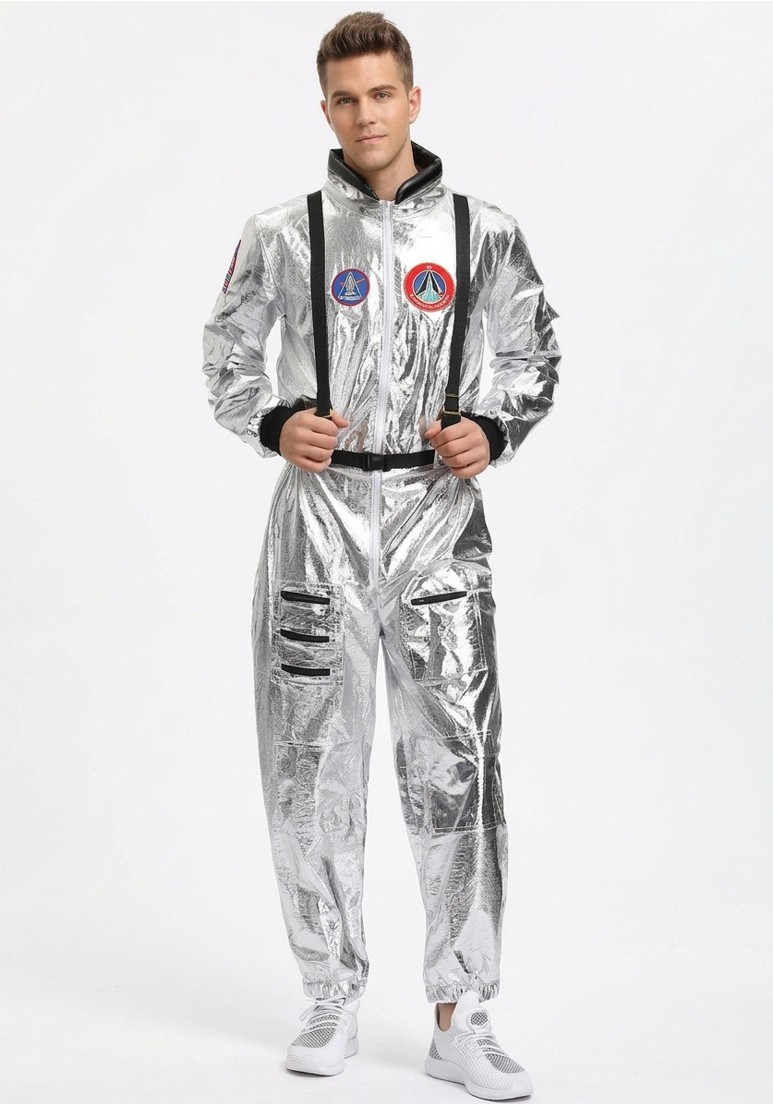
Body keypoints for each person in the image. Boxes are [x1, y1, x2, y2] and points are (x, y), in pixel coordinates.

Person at [202, 11, 560, 1099]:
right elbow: (226, 352)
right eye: (345, 98)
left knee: (458, 761)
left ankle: (461, 1014)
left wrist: (490, 427)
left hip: (436, 517)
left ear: (413, 98)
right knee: (308, 763)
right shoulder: (282, 232)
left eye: (381, 93)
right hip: (316, 520)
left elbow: (532, 350)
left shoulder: (482, 231)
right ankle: (329, 992)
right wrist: (274, 422)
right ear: (325, 109)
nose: (365, 114)